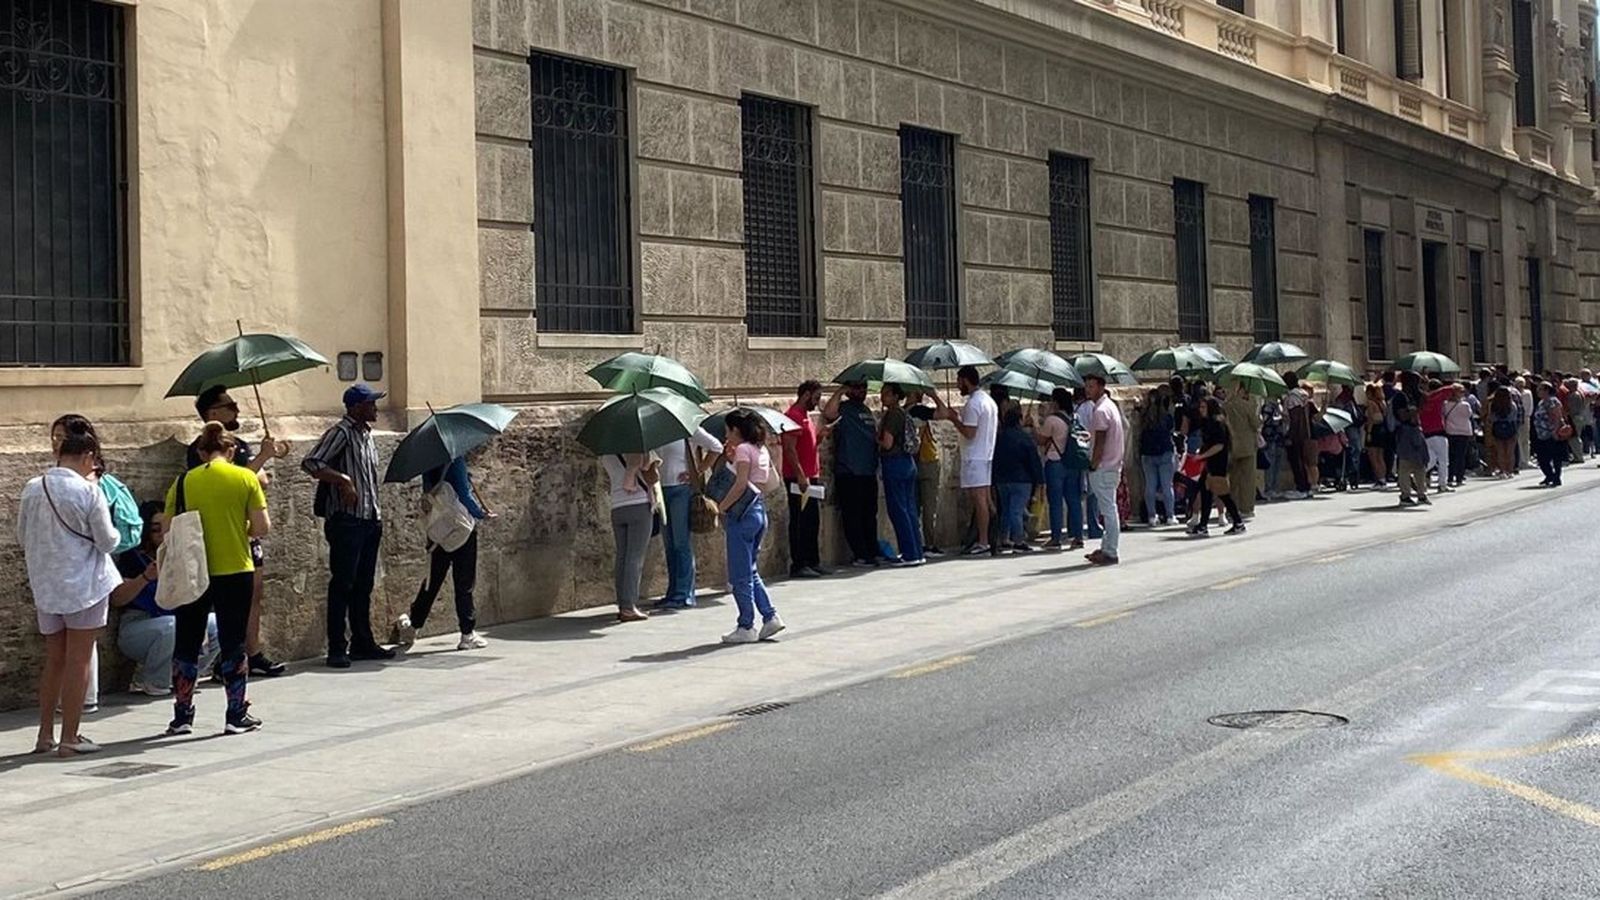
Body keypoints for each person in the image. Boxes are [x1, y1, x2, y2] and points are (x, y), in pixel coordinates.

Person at [18, 416, 119, 756]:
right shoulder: (89, 491)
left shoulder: (33, 487)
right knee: (78, 660)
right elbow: (108, 542)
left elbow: (22, 535)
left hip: (46, 585)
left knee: (55, 660)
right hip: (84, 585)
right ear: (88, 456)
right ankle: (71, 737)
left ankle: (44, 734)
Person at [164, 421, 270, 735]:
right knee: (233, 640)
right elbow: (262, 527)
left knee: (186, 641)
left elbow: (168, 530)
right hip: (236, 568)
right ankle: (235, 713)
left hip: (193, 571)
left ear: (200, 452)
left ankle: (183, 715)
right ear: (232, 450)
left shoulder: (183, 482)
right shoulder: (245, 478)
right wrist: (239, 530)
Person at [186, 386, 289, 677]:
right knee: (227, 601)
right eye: (230, 405)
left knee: (254, 593)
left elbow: (261, 481)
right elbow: (238, 479)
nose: (237, 409)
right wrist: (262, 458)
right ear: (213, 413)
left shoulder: (238, 444)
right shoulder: (201, 449)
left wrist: (262, 458)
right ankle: (226, 658)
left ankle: (251, 652)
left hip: (246, 533)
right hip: (221, 534)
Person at [302, 384, 397, 668]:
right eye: (370, 404)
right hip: (347, 520)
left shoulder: (366, 436)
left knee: (363, 584)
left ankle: (362, 641)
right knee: (342, 583)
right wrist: (343, 481)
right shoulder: (340, 433)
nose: (375, 408)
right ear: (356, 408)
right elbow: (311, 463)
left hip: (370, 518)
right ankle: (336, 646)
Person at [112, 501, 219, 696]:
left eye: (166, 528)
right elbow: (117, 598)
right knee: (173, 626)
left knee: (216, 624)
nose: (162, 535)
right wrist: (145, 578)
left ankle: (185, 676)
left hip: (176, 616)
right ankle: (156, 682)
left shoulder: (181, 555)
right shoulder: (133, 557)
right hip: (140, 624)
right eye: (155, 530)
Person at [396, 456, 494, 649]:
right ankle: (467, 634)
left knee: (432, 581)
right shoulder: (456, 460)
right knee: (464, 583)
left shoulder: (428, 463)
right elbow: (464, 496)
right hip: (462, 530)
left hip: (439, 531)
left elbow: (429, 494)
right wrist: (481, 513)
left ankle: (413, 626)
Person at [716, 410, 785, 644]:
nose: (726, 434)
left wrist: (721, 507)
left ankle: (746, 624)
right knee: (751, 570)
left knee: (739, 574)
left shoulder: (744, 450)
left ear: (736, 430)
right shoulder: (760, 449)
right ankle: (769, 615)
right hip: (758, 511)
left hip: (742, 516)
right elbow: (763, 482)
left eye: (728, 430)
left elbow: (740, 484)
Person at [932, 366, 998, 556]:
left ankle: (984, 541)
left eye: (959, 381)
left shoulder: (973, 403)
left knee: (979, 500)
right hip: (985, 454)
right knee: (985, 500)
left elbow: (969, 432)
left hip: (974, 457)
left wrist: (953, 419)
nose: (958, 385)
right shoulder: (988, 401)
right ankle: (990, 537)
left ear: (966, 380)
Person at [654, 425, 724, 602]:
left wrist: (698, 470)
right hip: (661, 490)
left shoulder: (686, 426)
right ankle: (672, 590)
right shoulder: (654, 428)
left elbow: (716, 446)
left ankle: (684, 593)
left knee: (681, 542)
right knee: (669, 543)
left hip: (681, 490)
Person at [824, 380, 881, 567]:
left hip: (867, 470)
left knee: (869, 514)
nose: (862, 391)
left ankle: (872, 550)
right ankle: (861, 553)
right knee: (853, 515)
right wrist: (840, 391)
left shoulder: (866, 410)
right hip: (849, 470)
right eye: (857, 387)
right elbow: (829, 413)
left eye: (864, 387)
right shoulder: (844, 408)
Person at [600, 450, 659, 623]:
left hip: (617, 506)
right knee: (635, 557)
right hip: (638, 504)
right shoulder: (639, 449)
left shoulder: (607, 454)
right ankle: (629, 607)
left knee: (622, 556)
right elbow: (652, 478)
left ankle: (622, 603)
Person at [782, 381, 828, 578]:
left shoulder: (805, 417)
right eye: (816, 398)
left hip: (810, 475)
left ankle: (812, 560)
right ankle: (799, 563)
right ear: (806, 395)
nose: (817, 403)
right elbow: (790, 449)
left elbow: (807, 446)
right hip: (798, 477)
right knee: (800, 520)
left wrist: (821, 437)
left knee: (812, 519)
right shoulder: (793, 416)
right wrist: (800, 475)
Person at [877, 384, 925, 566]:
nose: (883, 397)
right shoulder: (904, 414)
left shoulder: (893, 415)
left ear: (896, 396)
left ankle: (909, 553)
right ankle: (916, 551)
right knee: (910, 508)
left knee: (898, 509)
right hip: (908, 463)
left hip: (894, 463)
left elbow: (887, 443)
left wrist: (877, 438)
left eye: (887, 394)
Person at [1083, 373, 1125, 566]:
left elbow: (1100, 441)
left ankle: (1111, 551)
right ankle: (1106, 546)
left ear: (1100, 387)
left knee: (1108, 510)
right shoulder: (1110, 407)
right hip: (1112, 465)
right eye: (1087, 386)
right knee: (1108, 508)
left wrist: (1093, 463)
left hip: (1104, 466)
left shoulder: (1100, 411)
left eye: (1091, 386)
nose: (1087, 390)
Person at [1040, 387, 1090, 547]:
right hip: (1072, 462)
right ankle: (1078, 536)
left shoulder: (1052, 420)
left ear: (1055, 401)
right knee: (1074, 500)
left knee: (1055, 502)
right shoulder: (1075, 417)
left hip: (1055, 462)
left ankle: (1056, 537)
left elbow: (1041, 440)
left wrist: (1032, 427)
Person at [1189, 398, 1246, 536]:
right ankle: (1203, 525)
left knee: (1223, 494)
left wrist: (1202, 456)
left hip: (1218, 463)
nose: (1201, 409)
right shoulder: (1207, 422)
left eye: (1203, 407)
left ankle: (1238, 522)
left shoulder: (1218, 423)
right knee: (1205, 492)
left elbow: (1219, 445)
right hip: (1209, 463)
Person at [992, 405, 1044, 554]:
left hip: (1002, 480)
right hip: (1021, 480)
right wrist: (1039, 480)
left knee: (1006, 510)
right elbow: (1033, 460)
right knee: (1016, 510)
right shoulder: (1024, 438)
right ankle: (1019, 541)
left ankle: (1004, 538)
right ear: (1019, 420)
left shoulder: (999, 438)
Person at [907, 390, 944, 556]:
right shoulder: (919, 411)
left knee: (914, 506)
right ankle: (930, 544)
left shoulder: (902, 412)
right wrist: (935, 396)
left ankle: (917, 542)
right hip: (927, 461)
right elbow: (943, 413)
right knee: (929, 507)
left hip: (912, 462)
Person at [1136, 387, 1176, 527]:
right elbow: (1171, 429)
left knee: (1150, 486)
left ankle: (1152, 516)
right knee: (1167, 486)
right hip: (1165, 452)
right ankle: (1170, 515)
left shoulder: (1143, 416)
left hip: (1147, 454)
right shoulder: (1166, 416)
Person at [1391, 372, 1431, 507]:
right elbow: (1402, 416)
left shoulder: (1414, 396)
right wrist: (1412, 412)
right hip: (1405, 432)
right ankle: (1405, 495)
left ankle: (1421, 493)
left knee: (1420, 464)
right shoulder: (1400, 397)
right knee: (1405, 465)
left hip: (1415, 430)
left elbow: (1426, 403)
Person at [1222, 385, 1260, 517]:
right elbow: (1256, 424)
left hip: (1232, 446)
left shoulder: (1225, 407)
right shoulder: (1247, 405)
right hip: (1247, 446)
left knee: (1233, 479)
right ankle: (1246, 508)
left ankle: (1232, 508)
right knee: (1248, 479)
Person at [1280, 371, 1313, 499]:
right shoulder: (1304, 395)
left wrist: (1290, 435)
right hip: (1305, 432)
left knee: (1295, 460)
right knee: (1301, 460)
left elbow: (1295, 417)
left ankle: (1301, 487)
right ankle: (1306, 486)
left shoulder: (1293, 397)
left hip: (1294, 433)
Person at [1531, 381, 1567, 487]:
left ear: (1547, 390)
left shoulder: (1552, 401)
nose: (1538, 392)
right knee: (1542, 458)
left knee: (1555, 457)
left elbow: (1557, 417)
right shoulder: (1541, 402)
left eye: (1540, 389)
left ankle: (1556, 477)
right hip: (1541, 434)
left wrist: (1555, 431)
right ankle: (1549, 475)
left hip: (1551, 433)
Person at [1419, 379, 1451, 493]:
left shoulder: (1422, 401)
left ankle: (1416, 475)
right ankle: (1442, 484)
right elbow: (1453, 388)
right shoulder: (1438, 399)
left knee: (1431, 459)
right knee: (1443, 461)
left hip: (1426, 433)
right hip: (1439, 432)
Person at [1442, 384, 1474, 488]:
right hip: (1463, 432)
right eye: (1461, 391)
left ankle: (1450, 477)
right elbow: (1469, 415)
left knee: (1451, 455)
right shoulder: (1465, 405)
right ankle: (1459, 477)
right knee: (1461, 456)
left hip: (1450, 431)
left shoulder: (1445, 404)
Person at [1486, 385, 1520, 479]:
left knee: (1500, 451)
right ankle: (1510, 470)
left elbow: (1491, 418)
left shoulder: (1493, 405)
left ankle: (1502, 470)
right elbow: (1514, 417)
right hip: (1510, 427)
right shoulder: (1512, 405)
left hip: (1498, 428)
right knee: (1510, 451)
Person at [1363, 382, 1391, 489]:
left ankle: (1379, 479)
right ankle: (1383, 478)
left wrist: (1368, 433)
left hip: (1373, 430)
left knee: (1373, 457)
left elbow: (1371, 419)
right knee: (1380, 457)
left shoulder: (1371, 403)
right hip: (1382, 430)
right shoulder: (1382, 403)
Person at [1515, 375, 1534, 472]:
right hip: (1517, 418)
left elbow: (1530, 406)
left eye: (1521, 384)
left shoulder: (1528, 393)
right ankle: (1521, 460)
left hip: (1526, 417)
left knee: (1526, 439)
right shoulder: (1514, 393)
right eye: (1518, 384)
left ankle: (1526, 459)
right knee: (1518, 439)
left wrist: (1528, 416)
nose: (1520, 386)